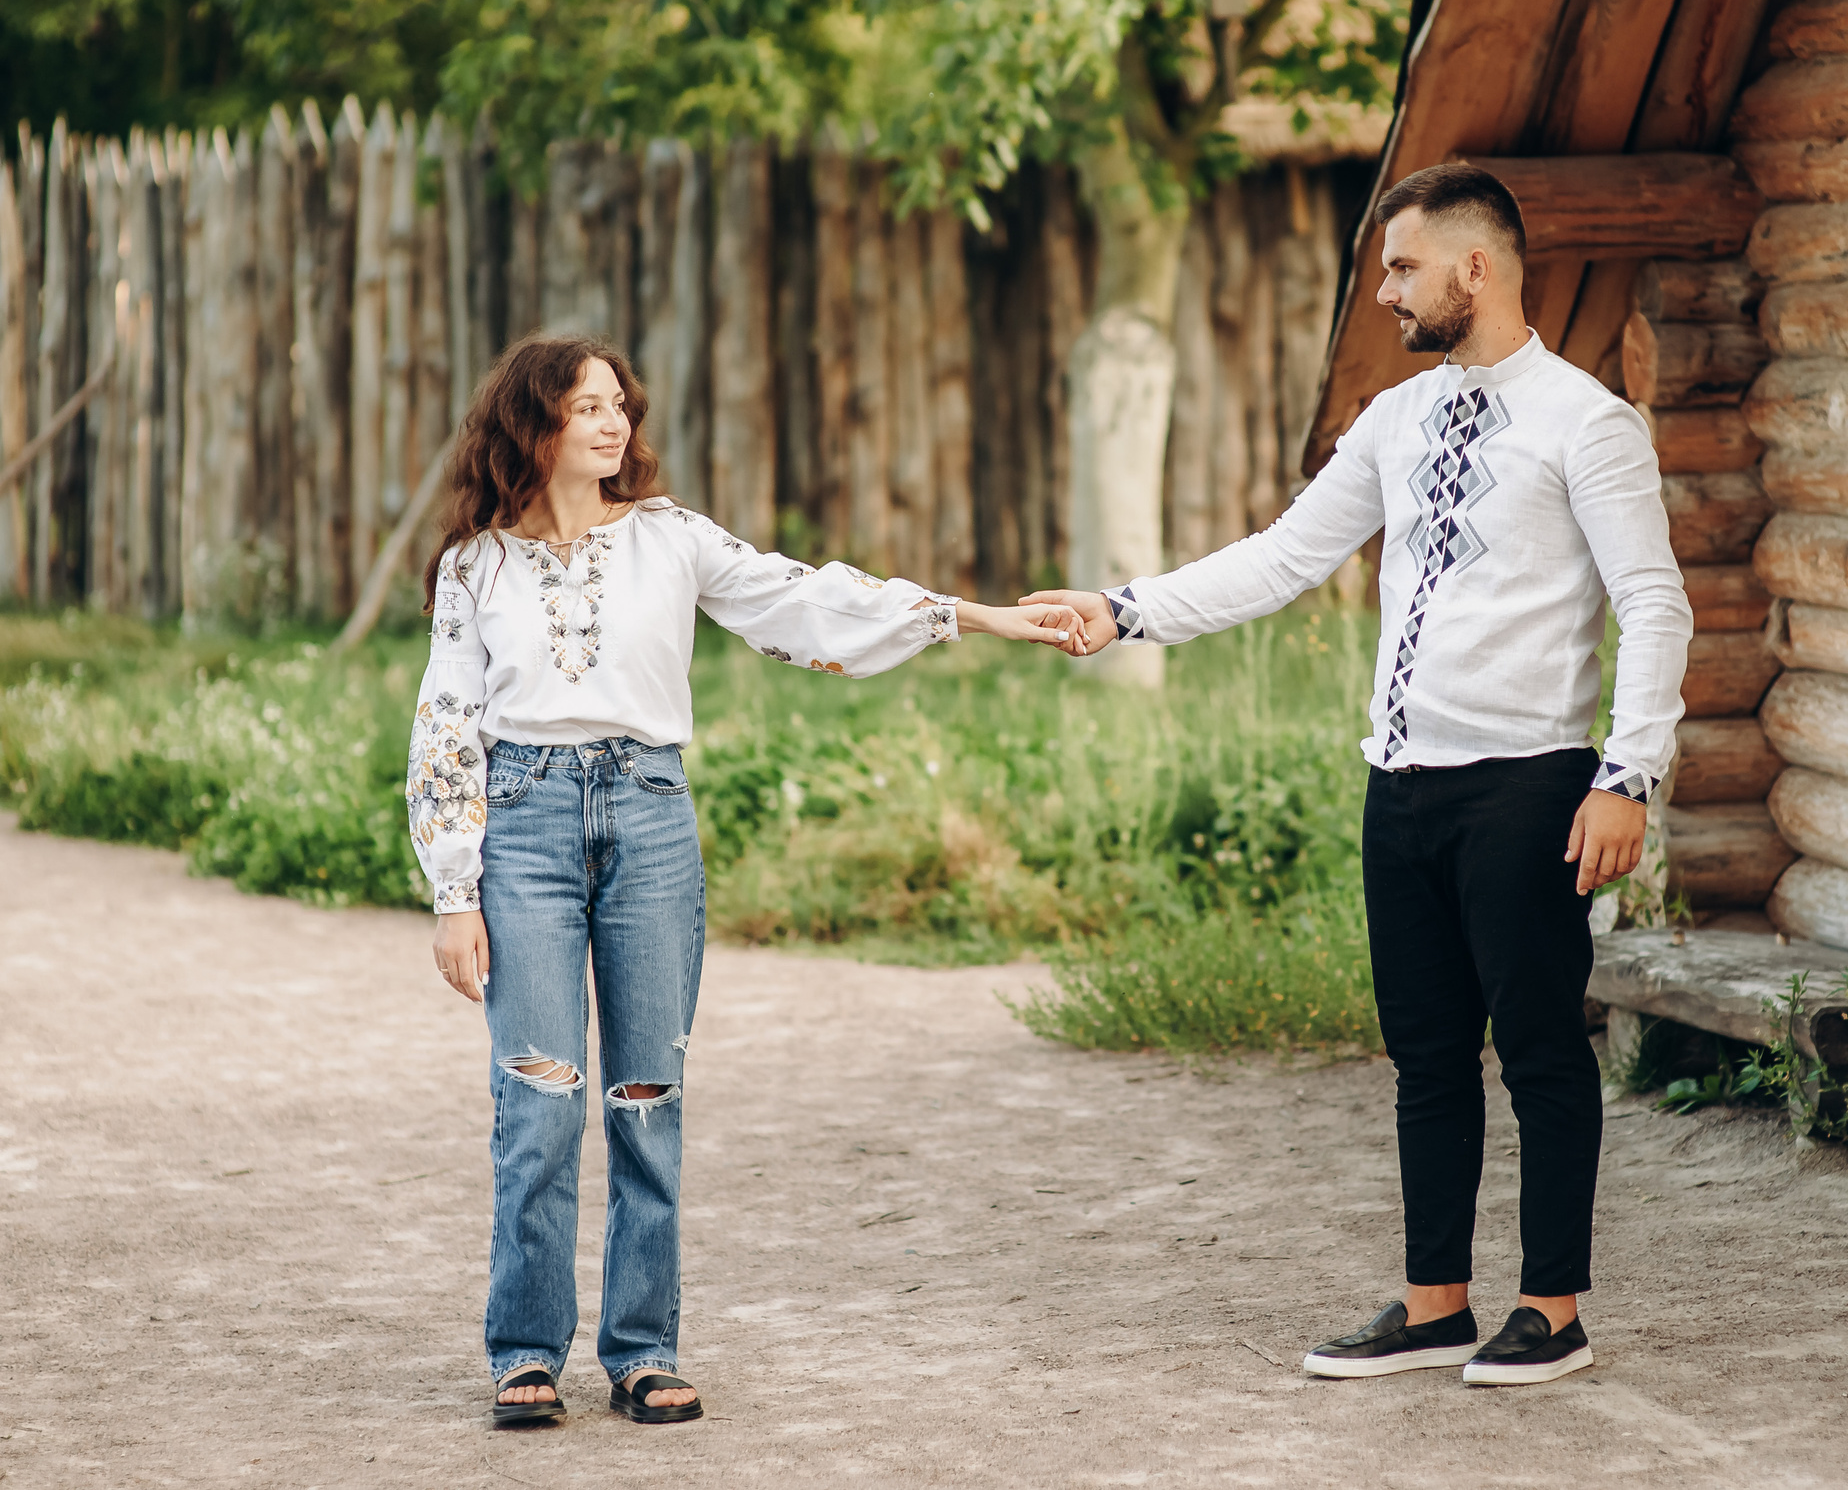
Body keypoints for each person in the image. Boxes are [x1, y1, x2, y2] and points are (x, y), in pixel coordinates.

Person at [1026, 162, 1689, 1387]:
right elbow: (1282, 559)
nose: (1382, 290)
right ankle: (1434, 1300)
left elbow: (1653, 600)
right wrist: (1125, 611)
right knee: (1425, 1054)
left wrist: (1626, 773)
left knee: (1540, 1045)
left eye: (1400, 267)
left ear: (1473, 268)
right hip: (1401, 785)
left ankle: (1555, 1306)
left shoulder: (1586, 422)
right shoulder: (1394, 419)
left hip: (1528, 783)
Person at [408, 334, 1087, 1428]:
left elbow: (806, 601)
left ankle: (642, 1349)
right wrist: (453, 886)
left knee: (647, 1099)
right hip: (523, 824)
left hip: (649, 817)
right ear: (530, 421)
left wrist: (976, 615)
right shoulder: (475, 565)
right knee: (536, 1097)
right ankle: (525, 1350)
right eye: (585, 405)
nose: (612, 421)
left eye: (618, 402)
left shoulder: (671, 539)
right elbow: (445, 721)